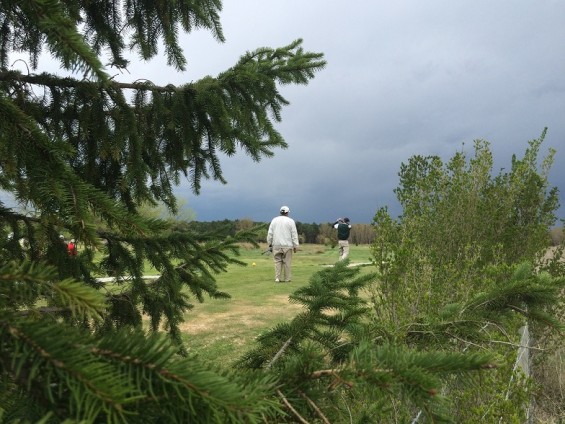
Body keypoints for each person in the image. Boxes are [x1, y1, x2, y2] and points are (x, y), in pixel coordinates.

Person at [267, 205, 299, 282]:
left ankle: (277, 278)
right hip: (287, 245)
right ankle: (287, 279)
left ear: (280, 212)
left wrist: (270, 244)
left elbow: (270, 233)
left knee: (277, 262)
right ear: (287, 213)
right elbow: (294, 234)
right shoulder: (291, 221)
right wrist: (296, 246)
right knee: (287, 262)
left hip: (276, 245)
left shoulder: (274, 220)